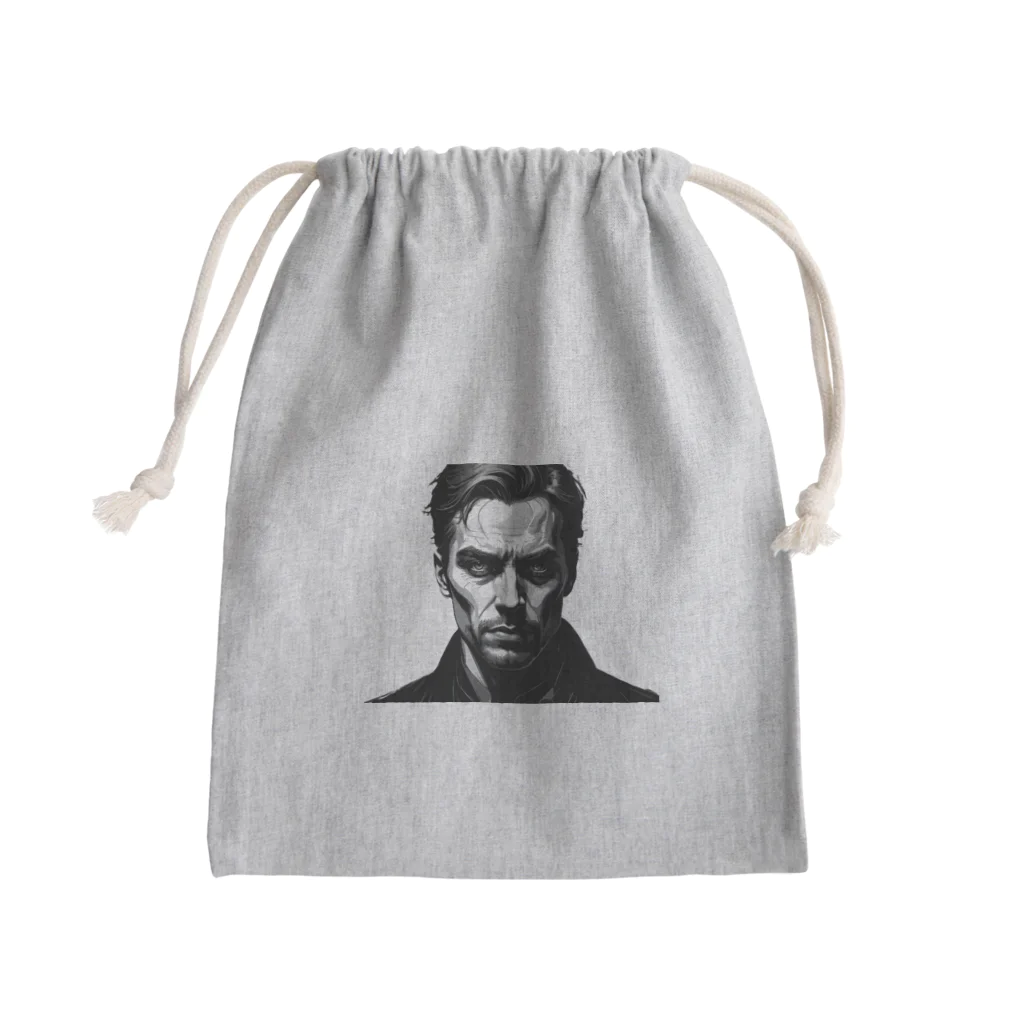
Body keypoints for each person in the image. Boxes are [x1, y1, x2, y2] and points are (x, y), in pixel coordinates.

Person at [369, 464, 659, 703]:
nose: (510, 600)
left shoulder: (639, 708)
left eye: (537, 568)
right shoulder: (391, 714)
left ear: (570, 572)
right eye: (480, 566)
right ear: (442, 574)